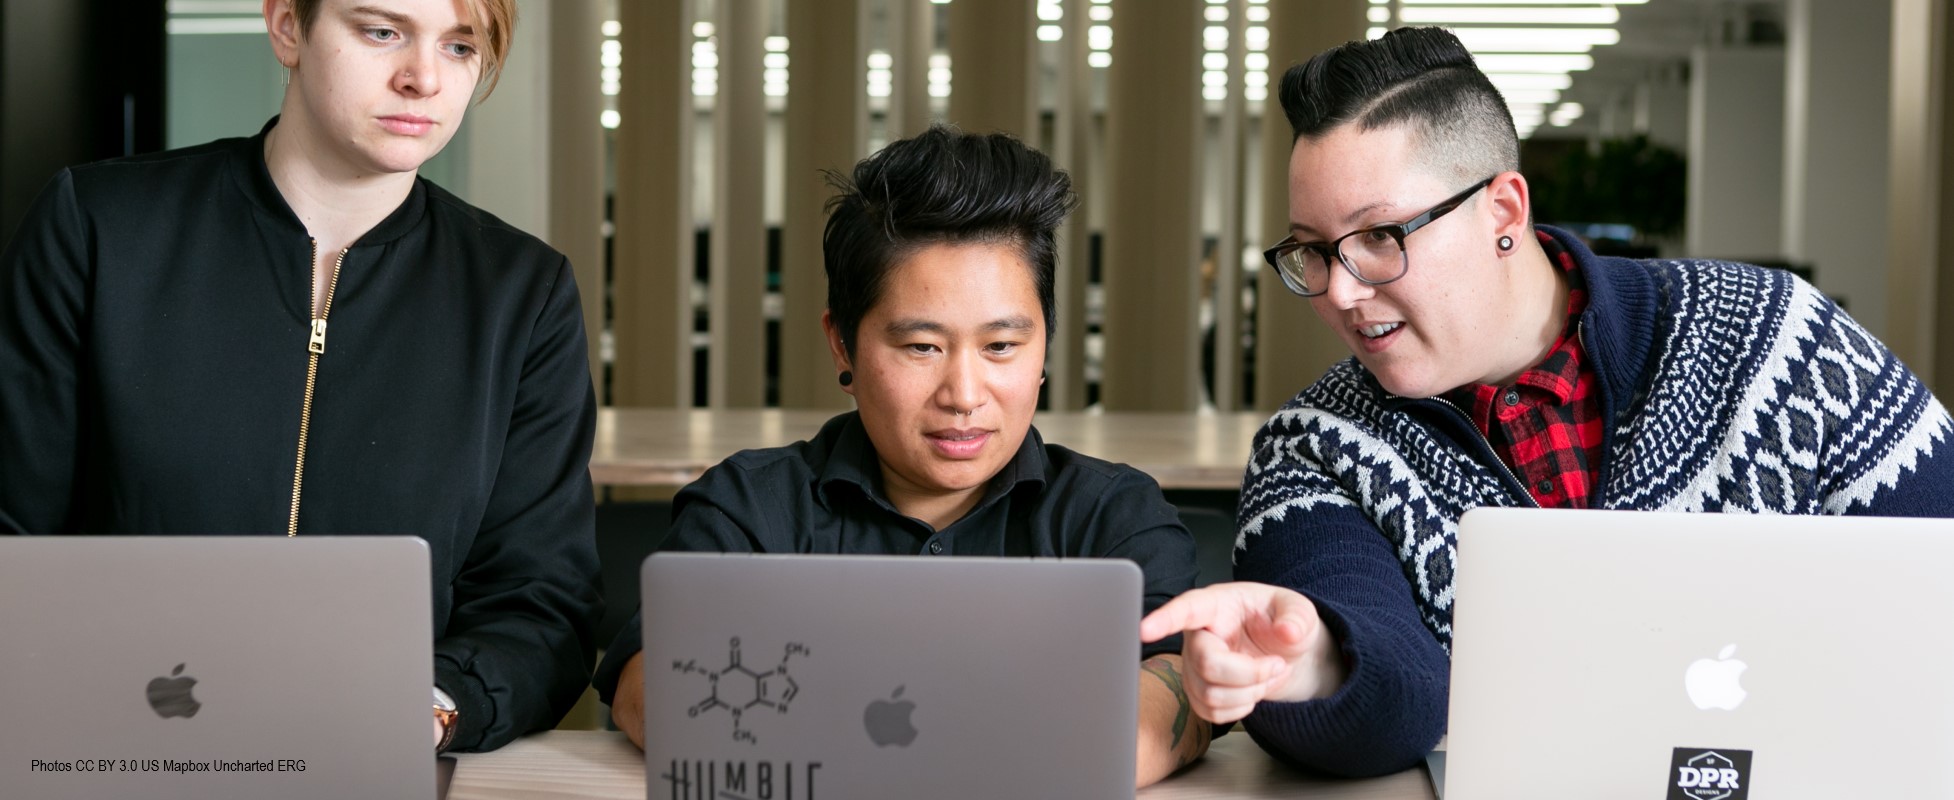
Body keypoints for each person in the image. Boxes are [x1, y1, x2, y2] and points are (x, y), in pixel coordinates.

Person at [1141, 26, 1954, 778]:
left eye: (1381, 238)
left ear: (1503, 211)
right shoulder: (1314, 445)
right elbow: (1390, 676)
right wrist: (1311, 661)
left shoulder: (1778, 338)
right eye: (1316, 251)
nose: (1343, 292)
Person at [0, 0, 602, 753]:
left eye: (460, 46)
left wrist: (430, 708)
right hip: (103, 745)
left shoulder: (521, 293)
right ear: (288, 26)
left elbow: (542, 601)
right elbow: (13, 537)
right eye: (382, 31)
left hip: (375, 761)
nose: (422, 78)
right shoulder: (96, 226)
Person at [593, 126, 1210, 786]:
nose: (964, 395)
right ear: (842, 345)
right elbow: (653, 683)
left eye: (1001, 347)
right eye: (922, 347)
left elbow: (1179, 687)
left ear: (1045, 346)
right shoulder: (750, 507)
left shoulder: (1113, 516)